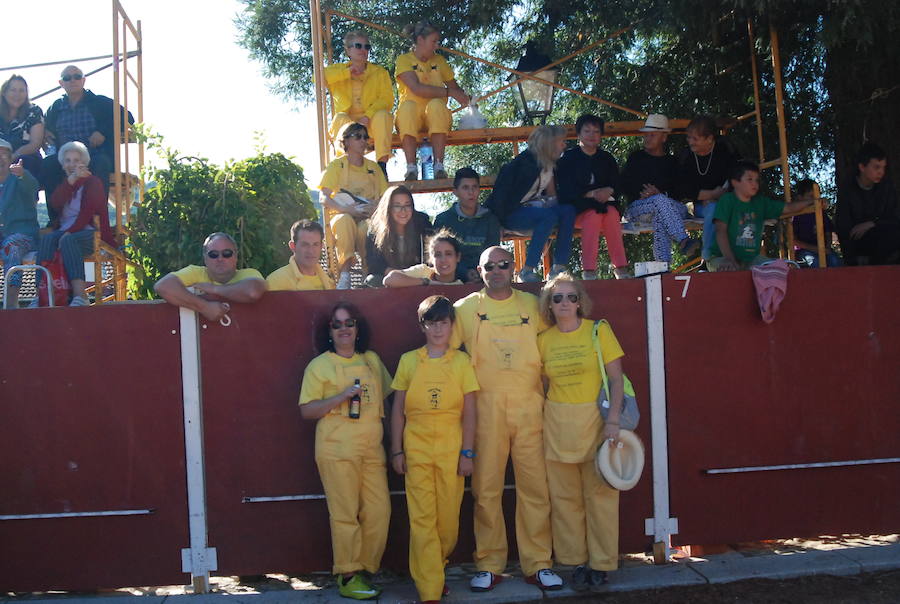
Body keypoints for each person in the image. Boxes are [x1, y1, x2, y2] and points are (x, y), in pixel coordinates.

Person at [451, 246, 563, 593]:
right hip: (486, 413)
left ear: (512, 267)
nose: (497, 270)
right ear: (479, 271)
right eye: (490, 266)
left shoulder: (533, 304)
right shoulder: (465, 309)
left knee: (535, 489)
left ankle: (539, 562)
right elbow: (450, 357)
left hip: (530, 408)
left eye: (503, 265)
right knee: (486, 490)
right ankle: (489, 563)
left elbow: (554, 349)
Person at [299, 302, 393, 600]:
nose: (344, 330)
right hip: (336, 450)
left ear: (357, 327)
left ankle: (366, 568)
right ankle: (348, 574)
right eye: (336, 325)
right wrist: (340, 397)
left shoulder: (372, 360)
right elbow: (307, 410)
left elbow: (388, 402)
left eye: (348, 323)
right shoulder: (319, 366)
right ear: (328, 331)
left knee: (379, 512)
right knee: (344, 515)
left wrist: (395, 446)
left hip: (371, 449)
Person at [537, 273, 624, 591]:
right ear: (548, 303)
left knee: (601, 497)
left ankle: (601, 564)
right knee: (564, 500)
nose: (564, 303)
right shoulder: (543, 340)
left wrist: (613, 420)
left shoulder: (599, 331)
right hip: (557, 426)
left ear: (580, 301)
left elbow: (616, 380)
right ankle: (574, 562)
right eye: (556, 298)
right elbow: (544, 387)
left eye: (570, 297)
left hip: (596, 426)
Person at [390, 295, 478, 604]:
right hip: (417, 449)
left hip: (452, 450)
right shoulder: (408, 361)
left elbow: (470, 413)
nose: (437, 329)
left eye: (443, 322)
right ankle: (429, 590)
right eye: (431, 323)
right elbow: (398, 409)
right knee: (422, 519)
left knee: (448, 523)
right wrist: (397, 451)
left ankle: (435, 568)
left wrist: (468, 453)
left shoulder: (462, 362)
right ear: (422, 326)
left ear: (452, 325)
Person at [485, 125, 576, 283]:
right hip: (509, 215)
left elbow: (553, 197)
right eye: (561, 141)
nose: (564, 145)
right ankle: (527, 271)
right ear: (549, 143)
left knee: (568, 210)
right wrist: (497, 223)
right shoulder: (522, 164)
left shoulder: (548, 164)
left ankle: (559, 267)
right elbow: (500, 195)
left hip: (533, 211)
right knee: (549, 216)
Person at [34, 142, 117, 307]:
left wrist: (69, 232)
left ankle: (81, 295)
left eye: (76, 160)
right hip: (67, 231)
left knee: (68, 240)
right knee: (47, 240)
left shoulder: (93, 182)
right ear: (63, 164)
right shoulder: (65, 183)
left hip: (91, 233)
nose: (72, 164)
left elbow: (87, 214)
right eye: (68, 160)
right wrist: (70, 182)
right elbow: (55, 203)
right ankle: (42, 295)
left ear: (84, 163)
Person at [41, 65, 134, 205]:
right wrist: (45, 131)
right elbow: (44, 125)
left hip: (94, 156)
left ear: (83, 80)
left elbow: (128, 117)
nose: (73, 80)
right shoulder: (56, 107)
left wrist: (103, 131)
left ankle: (97, 216)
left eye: (77, 77)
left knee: (101, 163)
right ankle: (55, 219)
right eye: (67, 78)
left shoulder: (100, 102)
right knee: (48, 164)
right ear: (61, 83)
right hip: (66, 160)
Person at [395, 21, 470, 180]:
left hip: (436, 117)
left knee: (437, 104)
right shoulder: (404, 60)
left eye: (437, 41)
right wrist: (450, 92)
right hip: (410, 118)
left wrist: (466, 98)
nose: (437, 45)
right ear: (421, 40)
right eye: (433, 41)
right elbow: (416, 88)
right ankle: (411, 168)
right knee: (408, 107)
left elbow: (455, 88)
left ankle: (438, 166)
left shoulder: (440, 61)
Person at [556, 115, 629, 280]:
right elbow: (565, 188)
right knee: (593, 215)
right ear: (579, 134)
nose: (592, 135)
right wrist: (591, 193)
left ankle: (621, 267)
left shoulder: (606, 158)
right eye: (587, 131)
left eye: (596, 131)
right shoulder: (568, 158)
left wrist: (609, 190)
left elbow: (617, 183)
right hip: (577, 209)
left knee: (612, 214)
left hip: (605, 206)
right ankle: (589, 270)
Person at [621, 114, 700, 263]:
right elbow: (623, 185)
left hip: (669, 206)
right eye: (646, 135)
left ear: (664, 137)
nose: (647, 138)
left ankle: (663, 267)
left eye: (652, 135)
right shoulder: (636, 158)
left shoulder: (672, 162)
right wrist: (643, 194)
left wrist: (661, 193)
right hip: (638, 208)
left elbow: (681, 191)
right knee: (659, 202)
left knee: (660, 209)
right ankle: (683, 240)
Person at [319, 122, 389, 289]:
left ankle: (368, 275)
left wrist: (374, 209)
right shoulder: (336, 165)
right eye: (358, 136)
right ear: (346, 141)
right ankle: (345, 276)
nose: (363, 140)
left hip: (368, 216)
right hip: (342, 214)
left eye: (365, 137)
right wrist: (346, 209)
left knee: (368, 228)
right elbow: (324, 197)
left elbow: (385, 198)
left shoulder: (373, 167)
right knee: (344, 221)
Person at [708, 161, 813, 271]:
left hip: (751, 259)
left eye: (757, 180)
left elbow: (788, 208)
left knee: (778, 269)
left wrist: (812, 201)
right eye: (750, 179)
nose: (755, 184)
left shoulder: (760, 203)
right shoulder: (727, 200)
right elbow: (720, 231)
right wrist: (729, 260)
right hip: (722, 258)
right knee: (729, 271)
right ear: (735, 182)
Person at [154, 232, 267, 319]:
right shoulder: (195, 272)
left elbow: (253, 292)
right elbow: (163, 286)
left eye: (226, 253)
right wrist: (204, 307)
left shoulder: (248, 274)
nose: (220, 259)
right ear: (205, 258)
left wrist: (214, 289)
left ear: (236, 256)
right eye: (213, 254)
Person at [324, 31, 394, 171]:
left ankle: (382, 167)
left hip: (371, 122)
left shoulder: (379, 72)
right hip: (348, 122)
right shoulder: (339, 70)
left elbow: (387, 99)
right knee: (340, 118)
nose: (363, 50)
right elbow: (317, 77)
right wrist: (347, 73)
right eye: (358, 46)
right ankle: (344, 166)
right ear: (348, 50)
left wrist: (368, 115)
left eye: (366, 47)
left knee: (383, 116)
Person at [678, 115, 739, 261]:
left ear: (710, 138)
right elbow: (681, 188)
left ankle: (739, 256)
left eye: (695, 138)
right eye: (689, 138)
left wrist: (721, 196)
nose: (690, 142)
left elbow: (738, 177)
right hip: (700, 205)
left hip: (729, 202)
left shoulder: (726, 150)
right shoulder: (686, 156)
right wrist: (710, 195)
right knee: (713, 209)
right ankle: (708, 257)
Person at [835, 142, 900, 266]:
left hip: (886, 239)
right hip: (860, 246)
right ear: (862, 167)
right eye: (876, 167)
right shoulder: (847, 191)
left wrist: (872, 224)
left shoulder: (886, 188)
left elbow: (894, 218)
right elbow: (843, 227)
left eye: (883, 167)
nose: (881, 172)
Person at [433, 167, 501, 282]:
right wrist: (464, 272)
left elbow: (493, 254)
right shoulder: (443, 220)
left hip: (484, 279)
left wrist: (479, 272)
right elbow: (437, 256)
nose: (471, 192)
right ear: (455, 192)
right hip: (451, 280)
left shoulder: (490, 219)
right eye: (465, 188)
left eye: (474, 187)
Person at [364, 185, 433, 287]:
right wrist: (400, 277)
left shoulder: (422, 224)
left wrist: (409, 277)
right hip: (388, 279)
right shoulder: (375, 231)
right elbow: (375, 265)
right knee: (372, 280)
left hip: (418, 278)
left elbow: (430, 259)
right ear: (388, 208)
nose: (403, 210)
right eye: (397, 206)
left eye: (407, 205)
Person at [0, 139, 39, 307]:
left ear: (10, 158)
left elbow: (33, 191)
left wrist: (23, 175)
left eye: (3, 155)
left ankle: (11, 303)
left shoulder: (20, 178)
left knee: (12, 246)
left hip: (23, 234)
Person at [266, 219, 336, 290]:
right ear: (293, 246)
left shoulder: (330, 283)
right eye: (305, 244)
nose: (311, 251)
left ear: (321, 246)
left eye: (315, 244)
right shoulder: (276, 281)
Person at [384, 229, 464, 287]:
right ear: (431, 259)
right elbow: (390, 279)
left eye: (448, 254)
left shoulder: (461, 286)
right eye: (438, 255)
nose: (443, 260)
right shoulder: (422, 272)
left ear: (457, 257)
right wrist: (426, 282)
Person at [791, 179, 842, 268]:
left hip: (823, 250)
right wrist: (816, 249)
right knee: (814, 262)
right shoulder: (796, 215)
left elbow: (828, 232)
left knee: (835, 262)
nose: (815, 200)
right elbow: (794, 241)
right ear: (800, 198)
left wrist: (827, 248)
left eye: (817, 196)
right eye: (811, 196)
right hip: (804, 251)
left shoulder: (821, 213)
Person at [0, 75, 44, 178]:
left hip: (25, 157)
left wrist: (14, 156)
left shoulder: (34, 111)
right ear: (4, 92)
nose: (17, 95)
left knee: (25, 163)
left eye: (21, 91)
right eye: (13, 90)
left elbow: (35, 143)